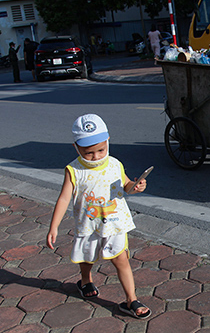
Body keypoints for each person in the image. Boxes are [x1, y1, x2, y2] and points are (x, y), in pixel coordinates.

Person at [46, 114, 151, 319]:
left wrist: (136, 187)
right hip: (88, 226)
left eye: (100, 150)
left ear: (108, 142)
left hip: (114, 225)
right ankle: (85, 280)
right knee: (87, 257)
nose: (95, 156)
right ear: (76, 147)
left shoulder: (114, 164)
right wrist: (54, 226)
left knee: (121, 260)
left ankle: (131, 300)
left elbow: (125, 186)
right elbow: (64, 199)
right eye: (89, 152)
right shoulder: (74, 170)